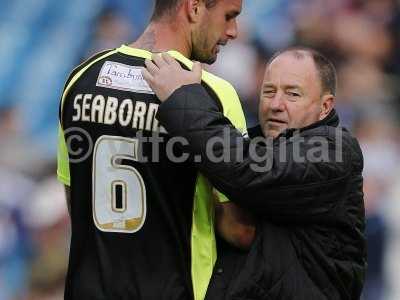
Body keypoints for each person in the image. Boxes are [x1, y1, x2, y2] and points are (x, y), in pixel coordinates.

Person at [57, 1, 248, 299]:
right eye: (229, 16)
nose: (233, 31)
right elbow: (240, 229)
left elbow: (77, 201)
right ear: (194, 8)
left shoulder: (80, 80)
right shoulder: (211, 93)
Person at [142, 47, 367, 299]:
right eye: (268, 92)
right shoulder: (255, 145)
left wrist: (183, 97)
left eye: (292, 94)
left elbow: (248, 169)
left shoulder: (334, 150)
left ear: (325, 107)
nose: (275, 104)